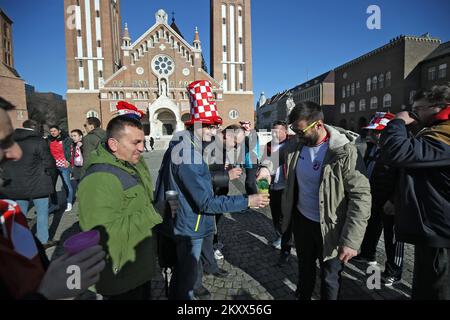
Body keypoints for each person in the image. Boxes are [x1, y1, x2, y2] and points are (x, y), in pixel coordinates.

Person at [154, 80, 270, 300]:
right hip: (190, 225)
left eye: (215, 125)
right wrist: (248, 201)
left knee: (185, 273)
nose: (215, 130)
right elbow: (205, 202)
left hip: (187, 220)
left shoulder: (187, 147)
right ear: (196, 126)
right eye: (210, 125)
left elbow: (196, 181)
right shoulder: (188, 154)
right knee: (185, 281)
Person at [0, 96, 105, 300]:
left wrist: (47, 271)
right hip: (37, 186)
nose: (14, 152)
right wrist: (46, 294)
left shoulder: (7, 209)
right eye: (3, 141)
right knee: (41, 214)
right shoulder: (40, 142)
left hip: (17, 191)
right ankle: (43, 237)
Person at [266, 101, 371, 300]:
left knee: (329, 277)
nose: (297, 136)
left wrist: (351, 240)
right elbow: (277, 155)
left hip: (330, 227)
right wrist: (265, 168)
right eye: (295, 132)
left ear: (318, 125)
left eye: (300, 131)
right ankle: (302, 295)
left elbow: (361, 197)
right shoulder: (298, 144)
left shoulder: (343, 151)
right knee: (305, 267)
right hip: (302, 221)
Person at [77, 101, 163, 300]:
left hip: (137, 266)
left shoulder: (131, 163)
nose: (142, 148)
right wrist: (155, 213)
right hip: (120, 275)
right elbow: (102, 234)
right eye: (135, 143)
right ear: (114, 144)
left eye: (143, 141)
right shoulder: (100, 178)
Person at [379, 84, 450, 299]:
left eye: (418, 109)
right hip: (432, 227)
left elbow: (396, 152)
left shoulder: (445, 135)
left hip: (440, 232)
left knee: (435, 290)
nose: (414, 114)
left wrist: (398, 121)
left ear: (439, 107)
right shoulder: (435, 131)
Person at [351, 112, 405, 286]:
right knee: (371, 227)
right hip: (373, 196)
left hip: (391, 202)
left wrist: (394, 200)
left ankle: (394, 271)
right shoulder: (372, 147)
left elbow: (405, 180)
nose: (373, 135)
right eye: (373, 132)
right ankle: (367, 254)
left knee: (393, 237)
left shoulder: (400, 150)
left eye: (378, 132)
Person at [0, 119, 57, 248]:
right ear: (35, 127)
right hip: (38, 183)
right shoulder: (38, 141)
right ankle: (43, 240)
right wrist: (51, 179)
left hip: (16, 184)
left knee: (20, 215)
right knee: (42, 213)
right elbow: (49, 163)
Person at [262, 120, 294, 266]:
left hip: (286, 186)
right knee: (275, 214)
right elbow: (263, 162)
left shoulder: (292, 145)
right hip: (272, 186)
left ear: (285, 132)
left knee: (285, 216)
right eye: (272, 130)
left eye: (277, 131)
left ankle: (286, 246)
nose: (274, 133)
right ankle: (279, 236)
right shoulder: (268, 145)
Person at [47, 125, 74, 212]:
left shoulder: (66, 139)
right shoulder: (48, 140)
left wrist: (69, 161)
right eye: (51, 131)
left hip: (64, 165)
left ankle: (69, 202)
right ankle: (55, 204)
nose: (53, 132)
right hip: (52, 166)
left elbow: (71, 151)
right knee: (51, 187)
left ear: (59, 131)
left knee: (67, 185)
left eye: (54, 131)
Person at [239, 120, 260, 195]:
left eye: (244, 124)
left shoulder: (253, 134)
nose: (242, 126)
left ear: (249, 126)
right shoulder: (243, 136)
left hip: (253, 161)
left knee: (250, 182)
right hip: (247, 162)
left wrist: (245, 136)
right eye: (241, 124)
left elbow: (251, 146)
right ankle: (250, 198)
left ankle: (255, 199)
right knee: (248, 182)